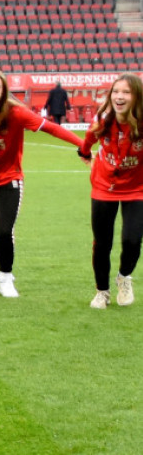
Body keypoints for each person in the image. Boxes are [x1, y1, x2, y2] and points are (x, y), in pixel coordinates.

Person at [0, 68, 83, 298]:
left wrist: (82, 144)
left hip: (9, 179)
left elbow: (50, 127)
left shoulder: (16, 114)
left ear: (3, 92)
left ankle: (5, 277)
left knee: (4, 231)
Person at [79, 74, 143, 309]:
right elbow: (87, 141)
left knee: (132, 239)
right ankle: (102, 291)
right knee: (102, 242)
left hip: (137, 189)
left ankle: (124, 278)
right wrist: (85, 154)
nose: (119, 96)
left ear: (136, 96)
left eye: (126, 92)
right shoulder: (102, 122)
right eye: (116, 91)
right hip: (104, 188)